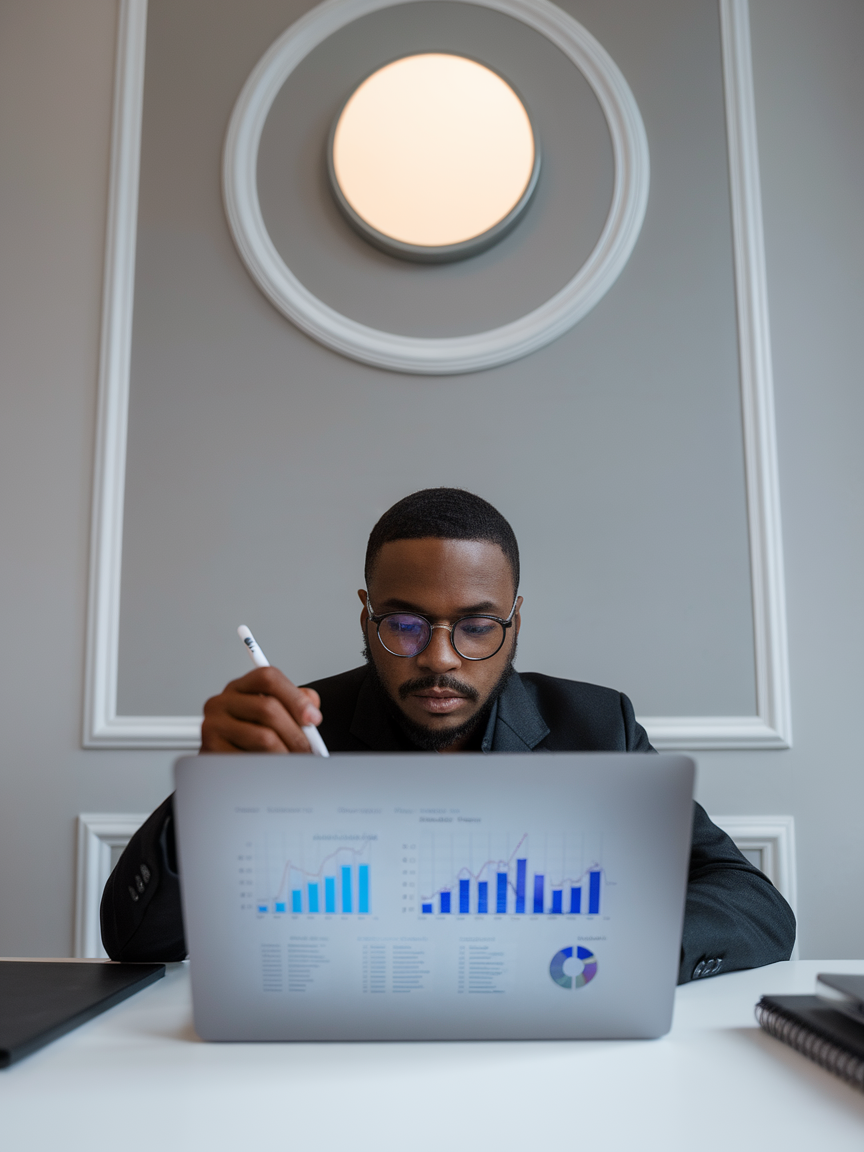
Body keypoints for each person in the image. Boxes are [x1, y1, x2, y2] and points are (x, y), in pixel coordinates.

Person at [101, 488, 796, 980]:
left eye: (476, 626)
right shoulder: (289, 732)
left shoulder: (598, 727)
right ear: (366, 617)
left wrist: (600, 948)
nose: (438, 658)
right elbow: (136, 943)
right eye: (404, 624)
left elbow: (753, 904)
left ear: (514, 623)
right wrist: (208, 798)